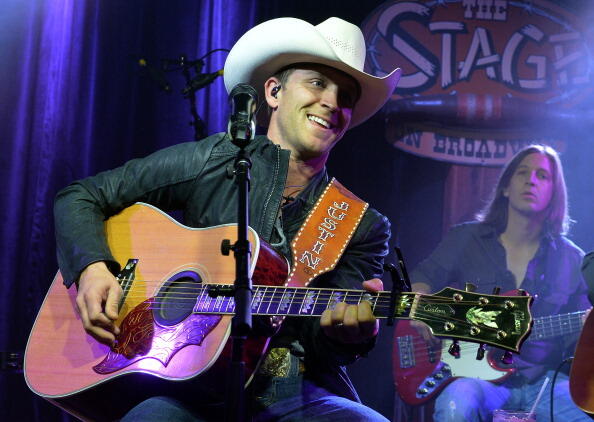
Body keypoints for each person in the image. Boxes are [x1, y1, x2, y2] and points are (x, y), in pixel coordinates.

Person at [53, 17, 401, 421]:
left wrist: (347, 336)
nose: (331, 102)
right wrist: (94, 268)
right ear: (273, 92)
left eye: (345, 97)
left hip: (288, 395)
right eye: (318, 83)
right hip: (179, 386)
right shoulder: (214, 159)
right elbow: (81, 196)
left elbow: (323, 344)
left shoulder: (361, 224)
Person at [409, 145, 592, 422]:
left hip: (542, 383)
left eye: (543, 175)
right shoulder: (466, 239)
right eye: (522, 172)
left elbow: (576, 342)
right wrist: (419, 309)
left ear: (554, 194)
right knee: (456, 404)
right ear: (506, 187)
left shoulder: (573, 259)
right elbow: (423, 277)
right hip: (475, 378)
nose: (531, 180)